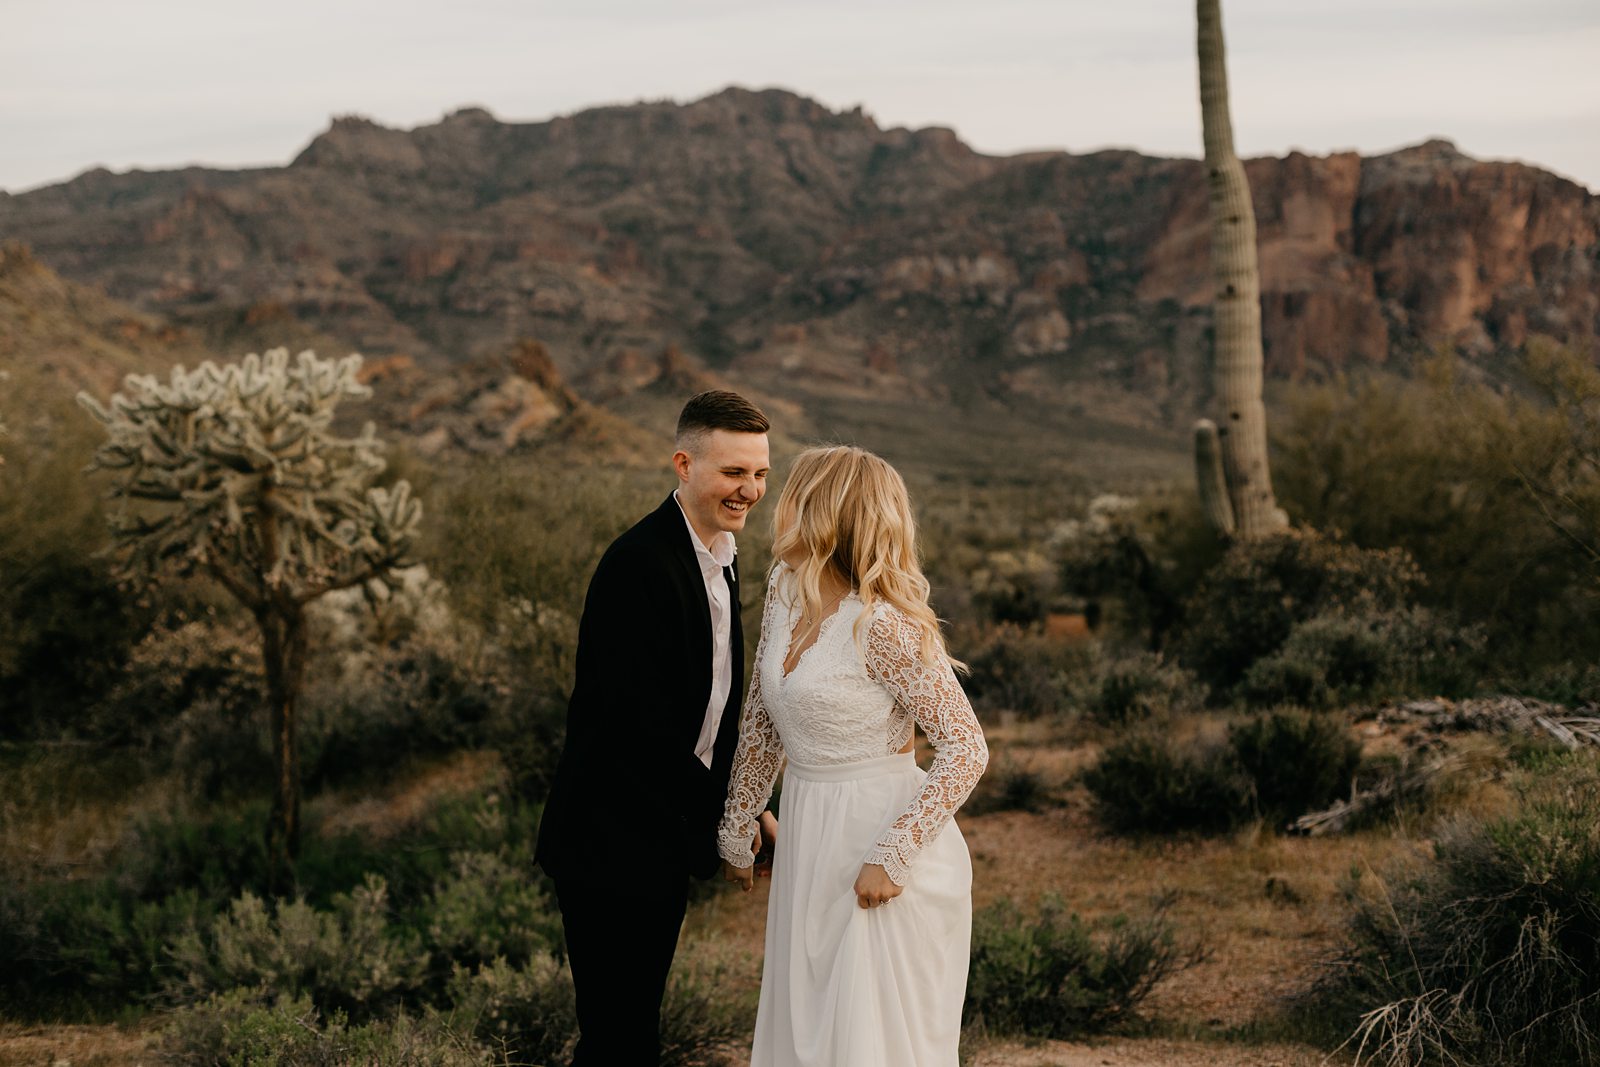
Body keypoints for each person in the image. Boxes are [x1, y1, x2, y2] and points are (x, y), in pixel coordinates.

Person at [717, 444, 989, 1067]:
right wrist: (737, 826)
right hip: (810, 834)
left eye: (793, 495)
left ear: (825, 511)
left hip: (878, 842)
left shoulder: (885, 625)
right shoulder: (786, 589)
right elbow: (762, 718)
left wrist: (892, 858)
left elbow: (966, 748)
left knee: (865, 1041)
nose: (776, 505)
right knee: (807, 1024)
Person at [535, 389, 777, 1066]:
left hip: (661, 837)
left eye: (759, 473)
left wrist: (749, 802)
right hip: (608, 838)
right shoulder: (637, 564)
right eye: (734, 472)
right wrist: (729, 813)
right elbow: (637, 728)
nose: (749, 489)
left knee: (633, 1032)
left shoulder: (724, 554)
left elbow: (717, 705)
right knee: (619, 1037)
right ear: (684, 464)